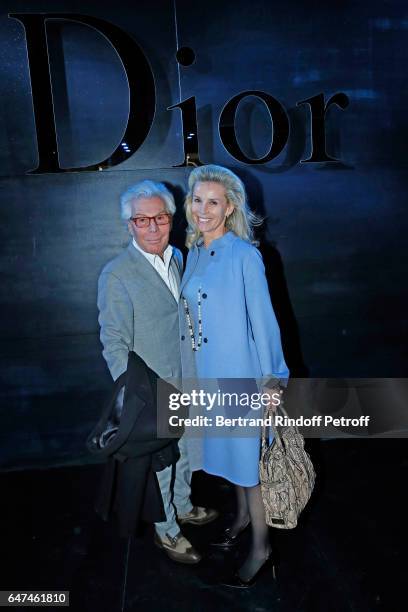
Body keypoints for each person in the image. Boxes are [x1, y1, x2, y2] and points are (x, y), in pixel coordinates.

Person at [179, 165, 289, 587]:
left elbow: (265, 321)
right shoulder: (194, 251)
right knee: (230, 459)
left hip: (242, 374)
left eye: (212, 202)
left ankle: (262, 547)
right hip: (209, 375)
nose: (202, 209)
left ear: (229, 208)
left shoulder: (244, 254)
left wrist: (272, 378)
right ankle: (242, 518)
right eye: (196, 200)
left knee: (249, 463)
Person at [97, 179, 218, 564]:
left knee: (186, 451)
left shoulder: (178, 258)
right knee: (161, 463)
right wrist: (137, 393)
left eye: (160, 217)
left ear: (171, 218)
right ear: (128, 225)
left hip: (187, 377)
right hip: (153, 389)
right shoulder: (117, 275)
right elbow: (113, 341)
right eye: (141, 220)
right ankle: (167, 530)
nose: (152, 227)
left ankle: (183, 506)